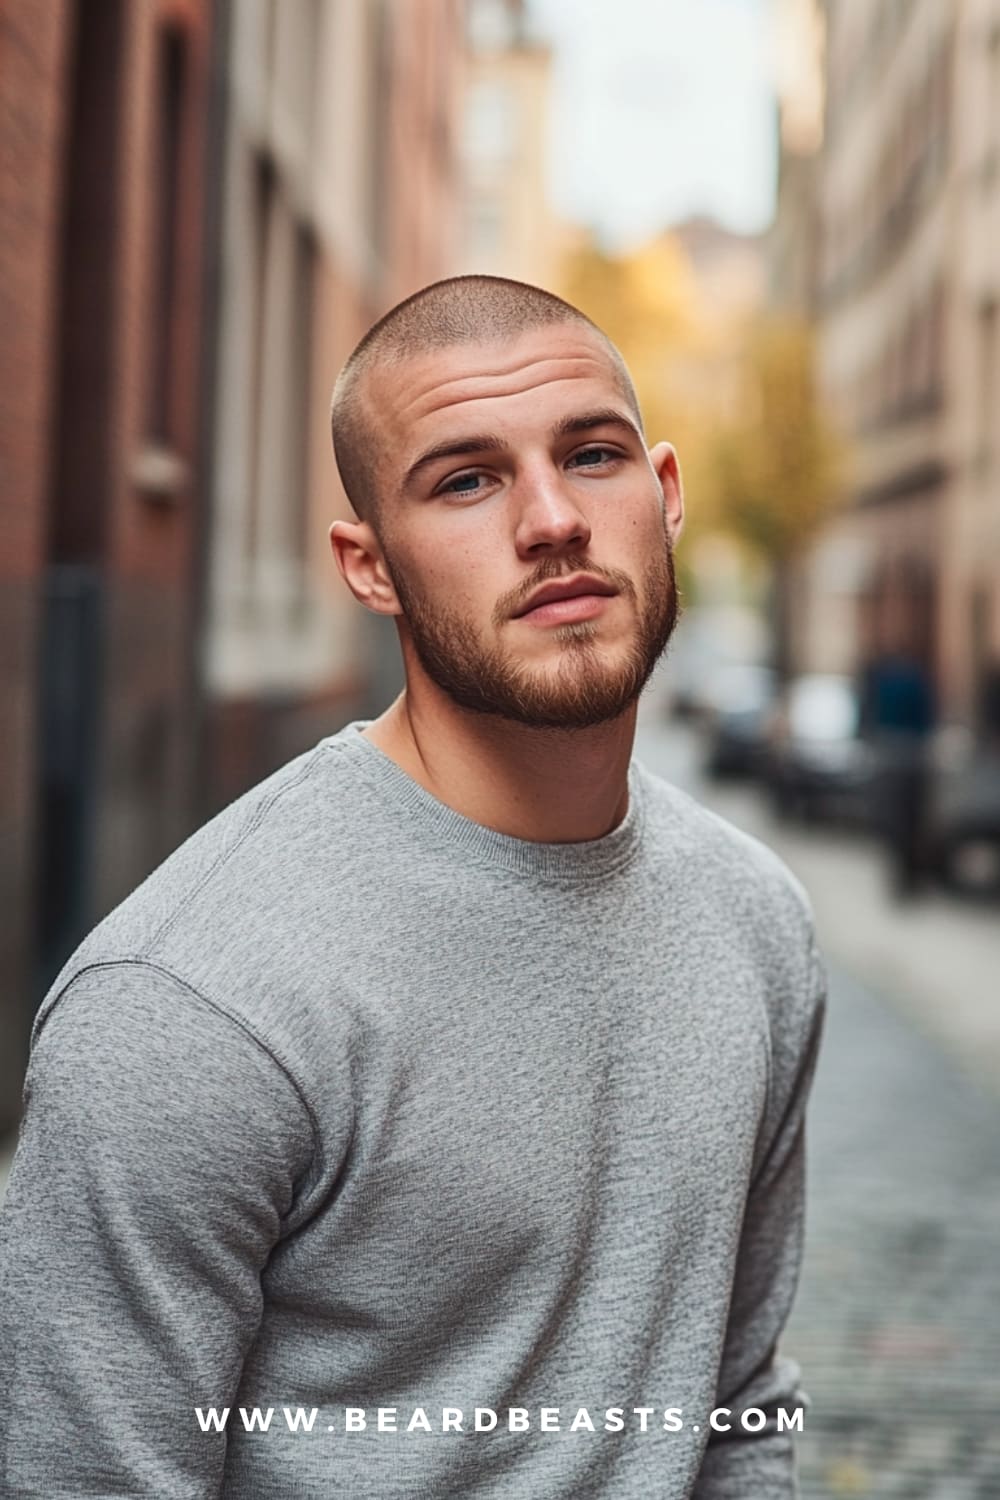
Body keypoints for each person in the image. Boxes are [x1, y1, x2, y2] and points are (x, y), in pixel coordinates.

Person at [0, 275, 827, 1499]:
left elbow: (737, 1407)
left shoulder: (756, 921)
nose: (551, 518)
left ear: (663, 496)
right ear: (369, 567)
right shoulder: (189, 1006)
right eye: (466, 480)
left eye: (590, 455)